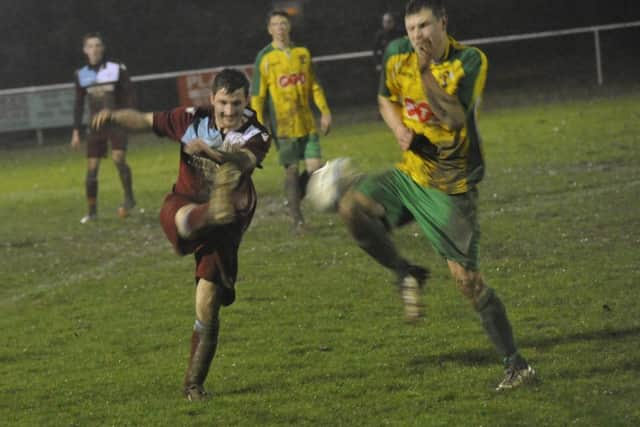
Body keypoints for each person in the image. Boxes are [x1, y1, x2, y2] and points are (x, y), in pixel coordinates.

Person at [337, 0, 536, 391]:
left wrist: (427, 73)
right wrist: (399, 129)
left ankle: (517, 366)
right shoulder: (396, 54)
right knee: (350, 208)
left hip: (452, 188)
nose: (417, 36)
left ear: (443, 24)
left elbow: (453, 117)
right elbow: (385, 98)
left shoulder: (470, 62)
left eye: (424, 26)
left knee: (467, 282)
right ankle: (405, 272)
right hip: (411, 177)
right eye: (411, 28)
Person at [92, 69, 271, 401]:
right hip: (184, 206)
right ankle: (203, 216)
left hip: (228, 224)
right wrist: (115, 115)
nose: (229, 111)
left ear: (246, 101)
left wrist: (212, 153)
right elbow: (145, 120)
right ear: (212, 100)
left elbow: (242, 161)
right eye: (223, 103)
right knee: (183, 215)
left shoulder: (256, 133)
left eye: (236, 103)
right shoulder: (191, 119)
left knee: (208, 304)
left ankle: (193, 383)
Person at [251, 10, 332, 234]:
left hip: (306, 122)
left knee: (315, 168)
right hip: (283, 126)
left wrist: (325, 112)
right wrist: (259, 124)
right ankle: (297, 220)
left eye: (283, 23)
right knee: (292, 171)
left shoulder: (302, 53)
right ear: (269, 29)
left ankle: (293, 200)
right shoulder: (264, 58)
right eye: (275, 24)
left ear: (289, 26)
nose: (280, 28)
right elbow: (257, 96)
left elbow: (314, 85)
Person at [70, 32, 136, 223]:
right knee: (92, 169)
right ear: (85, 50)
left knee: (119, 159)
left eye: (98, 45)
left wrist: (123, 113)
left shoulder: (117, 69)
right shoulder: (81, 74)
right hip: (95, 126)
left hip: (116, 123)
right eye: (90, 46)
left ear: (103, 48)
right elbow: (79, 104)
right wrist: (75, 131)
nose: (94, 49)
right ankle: (92, 211)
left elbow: (130, 94)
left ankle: (129, 198)